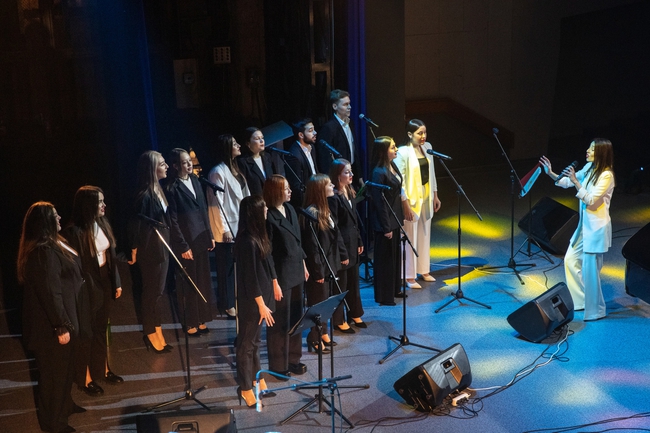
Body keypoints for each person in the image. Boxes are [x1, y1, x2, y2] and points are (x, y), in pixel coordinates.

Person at [18, 202, 87, 433]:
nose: (59, 218)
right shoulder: (42, 252)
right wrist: (61, 325)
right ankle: (53, 423)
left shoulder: (56, 242)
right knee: (53, 377)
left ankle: (65, 406)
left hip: (66, 318)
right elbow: (51, 293)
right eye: (54, 216)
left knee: (65, 371)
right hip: (51, 329)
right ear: (44, 222)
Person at [540, 139, 615, 321]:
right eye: (588, 147)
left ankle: (597, 310)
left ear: (601, 153)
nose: (587, 150)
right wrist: (551, 173)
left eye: (592, 149)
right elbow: (567, 182)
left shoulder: (606, 175)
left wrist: (576, 181)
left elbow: (590, 200)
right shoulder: (589, 168)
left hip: (596, 229)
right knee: (570, 260)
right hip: (584, 228)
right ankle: (581, 300)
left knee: (591, 271)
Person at [61, 186, 123, 398]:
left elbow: (111, 255)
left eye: (103, 201)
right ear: (88, 205)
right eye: (99, 202)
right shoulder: (74, 232)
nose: (104, 205)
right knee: (86, 332)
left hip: (103, 280)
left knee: (101, 328)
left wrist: (116, 282)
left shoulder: (102, 223)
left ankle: (102, 370)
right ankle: (85, 377)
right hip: (86, 285)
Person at [165, 148, 215, 336]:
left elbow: (203, 209)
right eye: (184, 162)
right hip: (187, 241)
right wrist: (183, 245)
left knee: (202, 281)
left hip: (201, 236)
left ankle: (202, 318)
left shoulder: (195, 180)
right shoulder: (172, 188)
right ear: (175, 165)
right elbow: (173, 220)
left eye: (189, 161)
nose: (189, 165)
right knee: (188, 283)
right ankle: (189, 322)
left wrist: (209, 234)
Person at [263, 175, 309, 376]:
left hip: (296, 270)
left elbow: (298, 242)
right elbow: (267, 253)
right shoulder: (268, 216)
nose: (290, 191)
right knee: (280, 321)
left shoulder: (290, 209)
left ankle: (293, 358)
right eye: (286, 188)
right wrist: (274, 281)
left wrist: (304, 264)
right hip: (281, 275)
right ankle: (278, 364)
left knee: (296, 318)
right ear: (275, 191)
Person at [129, 150, 173, 353]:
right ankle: (150, 332)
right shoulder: (144, 195)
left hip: (162, 248)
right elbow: (137, 226)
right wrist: (135, 249)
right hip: (151, 251)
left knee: (158, 294)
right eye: (162, 164)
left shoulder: (158, 190)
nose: (167, 166)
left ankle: (158, 330)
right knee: (151, 293)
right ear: (152, 169)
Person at [233, 195, 276, 408]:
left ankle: (256, 378)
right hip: (253, 301)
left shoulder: (259, 235)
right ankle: (245, 387)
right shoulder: (246, 241)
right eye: (263, 207)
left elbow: (267, 263)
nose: (267, 210)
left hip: (264, 295)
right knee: (246, 344)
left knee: (256, 342)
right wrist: (260, 305)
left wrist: (275, 283)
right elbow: (250, 277)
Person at [301, 174, 348, 352]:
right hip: (319, 268)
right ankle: (314, 337)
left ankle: (323, 332)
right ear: (320, 190)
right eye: (329, 185)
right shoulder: (311, 214)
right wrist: (318, 271)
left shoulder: (325, 210)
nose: (333, 186)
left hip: (329, 264)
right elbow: (312, 247)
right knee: (317, 302)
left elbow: (335, 236)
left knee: (327, 301)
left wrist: (341, 256)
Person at [206, 134, 250, 318]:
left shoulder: (236, 169)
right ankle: (227, 303)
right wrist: (224, 229)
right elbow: (216, 204)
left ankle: (238, 299)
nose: (239, 145)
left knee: (238, 266)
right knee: (227, 268)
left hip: (241, 224)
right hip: (227, 226)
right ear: (226, 148)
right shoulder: (218, 172)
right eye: (234, 144)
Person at [394, 119, 441, 289]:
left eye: (424, 132)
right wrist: (405, 203)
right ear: (409, 134)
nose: (423, 136)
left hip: (426, 196)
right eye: (419, 133)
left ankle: (424, 270)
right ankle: (409, 276)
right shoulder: (403, 152)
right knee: (410, 237)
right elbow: (400, 180)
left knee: (424, 234)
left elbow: (432, 173)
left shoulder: (427, 147)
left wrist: (435, 195)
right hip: (411, 199)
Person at [328, 159, 366, 331]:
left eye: (351, 171)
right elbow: (335, 228)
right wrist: (342, 252)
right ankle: (338, 320)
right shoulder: (334, 197)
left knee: (353, 282)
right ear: (338, 175)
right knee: (341, 284)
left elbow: (354, 221)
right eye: (347, 172)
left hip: (352, 243)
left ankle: (355, 313)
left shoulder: (349, 191)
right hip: (342, 246)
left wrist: (359, 240)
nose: (351, 175)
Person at [369, 136, 406, 306]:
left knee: (395, 257)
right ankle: (385, 296)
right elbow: (380, 203)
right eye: (392, 147)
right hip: (385, 223)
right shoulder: (378, 172)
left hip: (394, 219)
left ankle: (395, 289)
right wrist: (386, 227)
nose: (396, 149)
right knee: (385, 260)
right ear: (383, 151)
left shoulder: (392, 165)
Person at [317, 89, 359, 176]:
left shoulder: (350, 123)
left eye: (349, 103)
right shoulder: (329, 127)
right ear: (335, 106)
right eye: (345, 104)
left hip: (350, 172)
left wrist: (359, 176)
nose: (349, 107)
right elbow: (325, 158)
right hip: (338, 174)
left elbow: (353, 150)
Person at [237, 127, 281, 196]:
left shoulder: (267, 157)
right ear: (248, 143)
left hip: (271, 198)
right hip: (256, 200)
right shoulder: (243, 162)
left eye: (262, 138)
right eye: (257, 139)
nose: (261, 141)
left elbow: (275, 178)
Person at [287, 118, 319, 207]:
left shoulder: (312, 147)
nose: (315, 133)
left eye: (314, 129)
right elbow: (296, 186)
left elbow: (314, 171)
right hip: (306, 200)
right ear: (301, 135)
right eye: (311, 131)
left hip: (316, 193)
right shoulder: (294, 155)